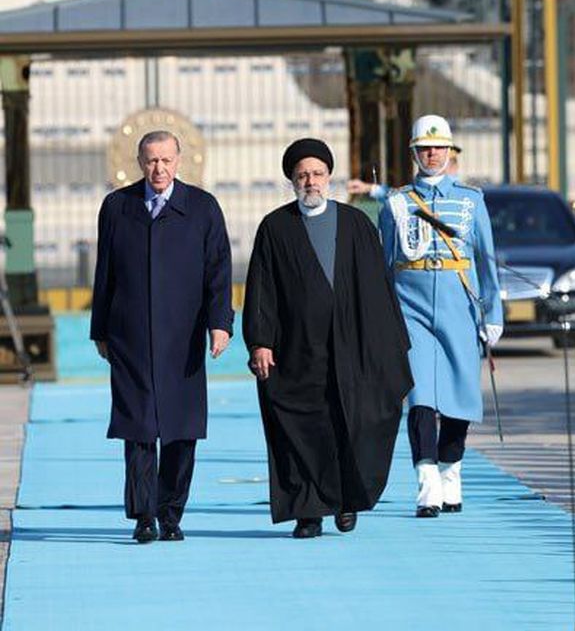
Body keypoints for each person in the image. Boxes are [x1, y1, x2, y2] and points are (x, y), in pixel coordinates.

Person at [243, 138, 413, 538]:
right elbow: (261, 290)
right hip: (297, 351)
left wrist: (391, 354)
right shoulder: (275, 227)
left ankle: (346, 500)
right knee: (301, 429)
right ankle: (308, 511)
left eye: (317, 174)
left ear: (329, 177)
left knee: (351, 425)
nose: (310, 181)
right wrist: (260, 341)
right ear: (292, 180)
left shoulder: (356, 226)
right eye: (302, 175)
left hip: (351, 349)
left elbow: (379, 293)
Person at [90, 130, 233, 544]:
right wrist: (100, 328)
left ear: (178, 160)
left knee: (181, 429)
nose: (159, 169)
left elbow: (219, 272)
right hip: (130, 337)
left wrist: (220, 323)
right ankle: (143, 516)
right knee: (137, 428)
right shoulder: (117, 207)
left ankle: (171, 513)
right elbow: (105, 274)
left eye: (166, 160)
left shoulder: (203, 208)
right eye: (151, 161)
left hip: (182, 339)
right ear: (139, 161)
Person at [378, 115, 503, 518]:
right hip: (409, 306)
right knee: (419, 397)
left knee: (459, 397)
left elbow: (487, 262)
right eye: (424, 148)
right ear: (414, 152)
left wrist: (493, 312)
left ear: (450, 152)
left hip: (458, 306)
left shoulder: (471, 200)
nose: (432, 154)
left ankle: (451, 470)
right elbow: (384, 262)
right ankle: (427, 482)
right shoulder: (396, 203)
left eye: (439, 147)